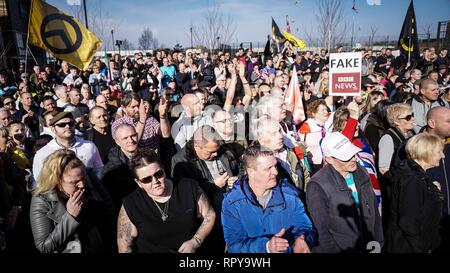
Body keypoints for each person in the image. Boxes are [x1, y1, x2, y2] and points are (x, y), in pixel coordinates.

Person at [221, 145, 315, 253]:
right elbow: (234, 246)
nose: (276, 172)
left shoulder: (290, 195)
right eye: (268, 168)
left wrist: (303, 239)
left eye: (275, 166)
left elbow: (305, 227)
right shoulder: (232, 202)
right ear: (251, 172)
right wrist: (266, 247)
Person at [117, 150, 215, 253]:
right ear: (138, 183)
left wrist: (195, 242)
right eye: (147, 179)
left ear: (164, 170)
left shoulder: (188, 187)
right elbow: (124, 247)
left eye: (158, 174)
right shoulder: (131, 204)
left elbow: (209, 215)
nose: (155, 182)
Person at [306, 132, 383, 253]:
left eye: (352, 153)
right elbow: (322, 231)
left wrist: (378, 244)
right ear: (329, 159)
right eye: (345, 157)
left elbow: (374, 213)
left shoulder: (361, 172)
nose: (353, 159)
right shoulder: (317, 185)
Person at [29, 149, 114, 253]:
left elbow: (108, 207)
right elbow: (44, 247)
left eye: (83, 178)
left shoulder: (90, 179)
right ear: (57, 181)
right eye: (74, 182)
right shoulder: (41, 200)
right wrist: (70, 217)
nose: (82, 184)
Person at [384, 133, 445, 253]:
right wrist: (421, 248)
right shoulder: (412, 179)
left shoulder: (413, 173)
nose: (442, 156)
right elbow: (409, 221)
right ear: (425, 152)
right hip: (408, 247)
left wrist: (431, 189)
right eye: (439, 152)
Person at [32, 111, 104, 187]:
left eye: (71, 124)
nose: (67, 127)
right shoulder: (43, 153)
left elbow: (98, 169)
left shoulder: (89, 146)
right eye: (62, 125)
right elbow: (39, 180)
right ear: (53, 129)